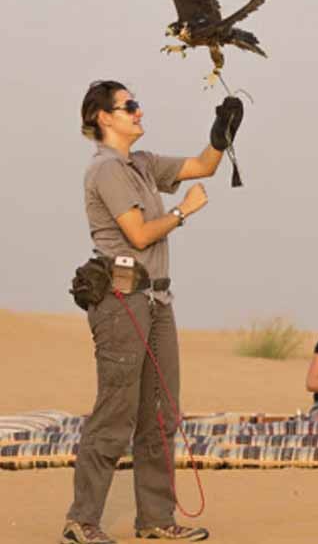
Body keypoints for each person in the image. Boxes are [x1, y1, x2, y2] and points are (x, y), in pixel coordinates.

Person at [65, 81, 243, 543]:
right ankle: (82, 520)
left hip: (157, 301)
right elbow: (139, 234)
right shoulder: (106, 170)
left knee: (162, 415)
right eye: (130, 106)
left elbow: (202, 166)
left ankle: (156, 520)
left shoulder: (141, 163)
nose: (139, 112)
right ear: (104, 117)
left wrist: (221, 132)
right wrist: (183, 212)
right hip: (121, 300)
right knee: (116, 412)